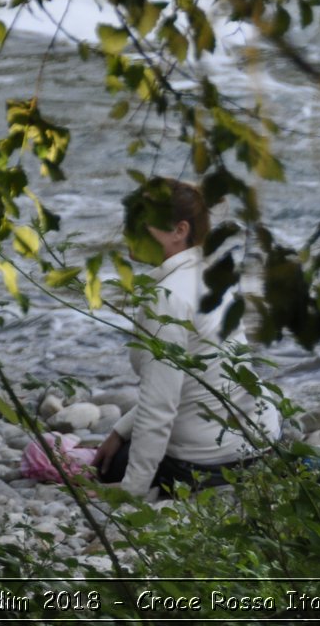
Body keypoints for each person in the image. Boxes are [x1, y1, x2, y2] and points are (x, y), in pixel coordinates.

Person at [94, 178, 280, 498]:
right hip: (262, 442)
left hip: (211, 462)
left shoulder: (166, 297)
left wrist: (131, 491)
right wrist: (120, 429)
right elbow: (195, 380)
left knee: (109, 467)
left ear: (179, 231)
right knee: (118, 449)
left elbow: (160, 405)